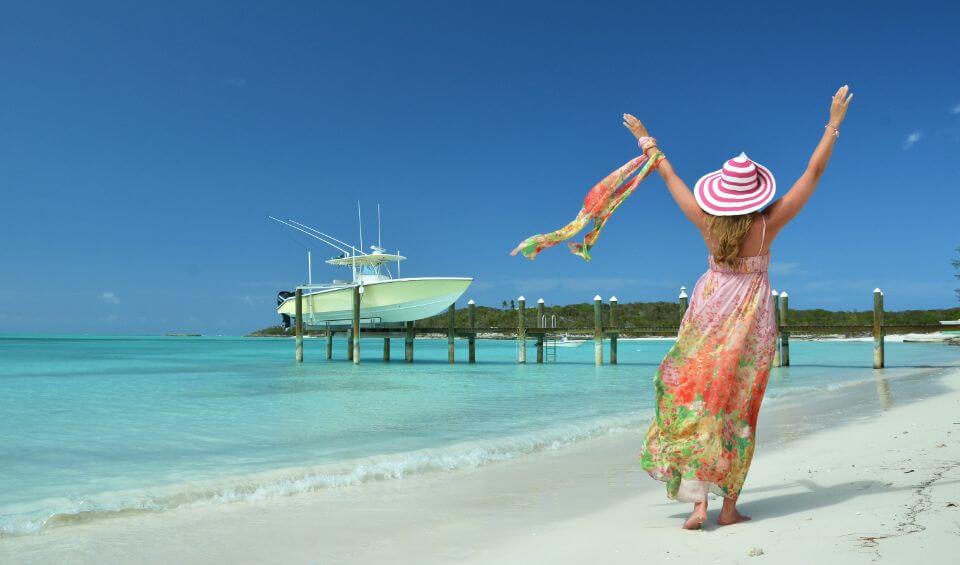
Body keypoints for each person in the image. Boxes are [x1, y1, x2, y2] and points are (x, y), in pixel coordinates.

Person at [623, 85, 854, 530]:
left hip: (709, 312)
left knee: (699, 402)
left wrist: (645, 137)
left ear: (720, 196)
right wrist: (834, 122)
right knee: (738, 410)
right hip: (751, 321)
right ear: (755, 195)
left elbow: (668, 176)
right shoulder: (770, 224)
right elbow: (814, 171)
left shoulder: (706, 223)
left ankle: (697, 507)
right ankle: (729, 508)